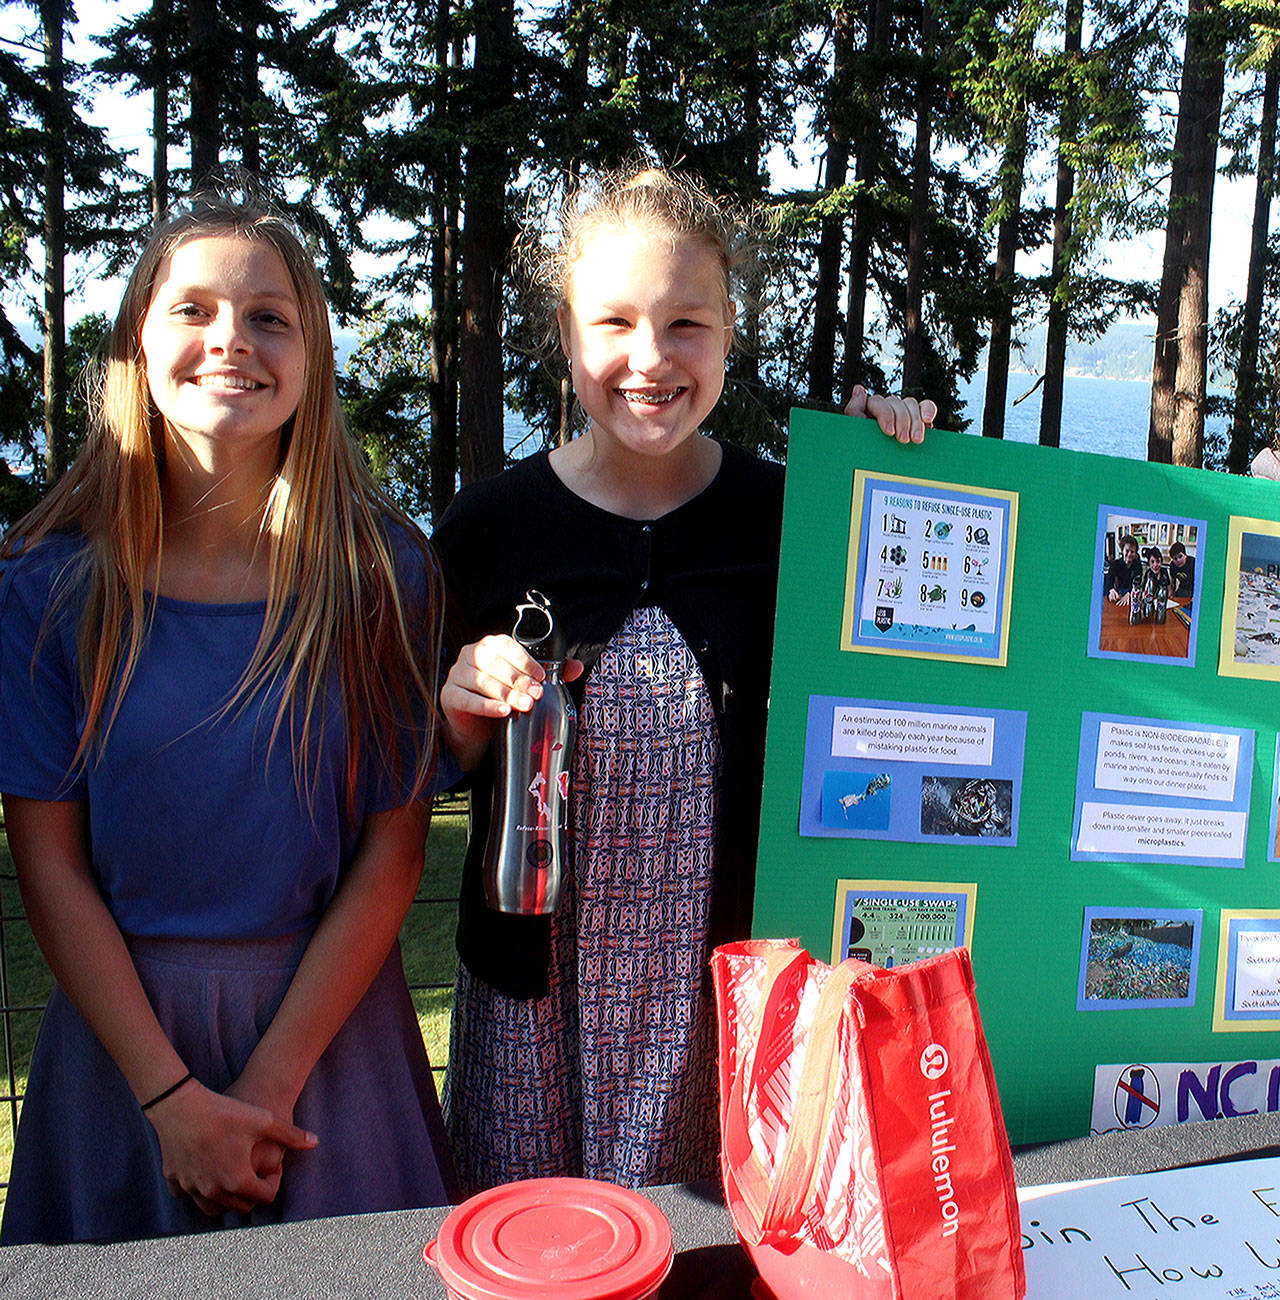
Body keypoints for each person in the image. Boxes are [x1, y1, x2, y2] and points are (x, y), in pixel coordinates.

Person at [435, 166, 934, 1195]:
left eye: (686, 324)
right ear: (564, 334)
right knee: (535, 1250)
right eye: (613, 322)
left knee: (706, 1250)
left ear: (730, 331)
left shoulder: (792, 517)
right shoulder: (488, 528)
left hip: (724, 1005)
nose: (650, 357)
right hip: (531, 1005)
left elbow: (911, 672)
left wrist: (885, 473)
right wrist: (461, 712)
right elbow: (430, 770)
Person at [0, 196, 456, 1245]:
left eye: (269, 318)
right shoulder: (46, 585)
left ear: (312, 359)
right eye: (193, 309)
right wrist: (172, 1102)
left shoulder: (381, 576)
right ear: (135, 342)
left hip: (331, 1057)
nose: (232, 341)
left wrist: (266, 1089)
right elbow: (49, 867)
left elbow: (392, 854)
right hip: (122, 1065)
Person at [1106, 534, 1143, 606]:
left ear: (1136, 553)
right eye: (1127, 551)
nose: (1129, 554)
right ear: (1122, 550)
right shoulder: (1114, 564)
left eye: (1132, 552)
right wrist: (1111, 590)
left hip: (1132, 596)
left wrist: (1129, 593)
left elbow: (1138, 583)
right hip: (1118, 595)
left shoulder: (1138, 565)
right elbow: (1109, 581)